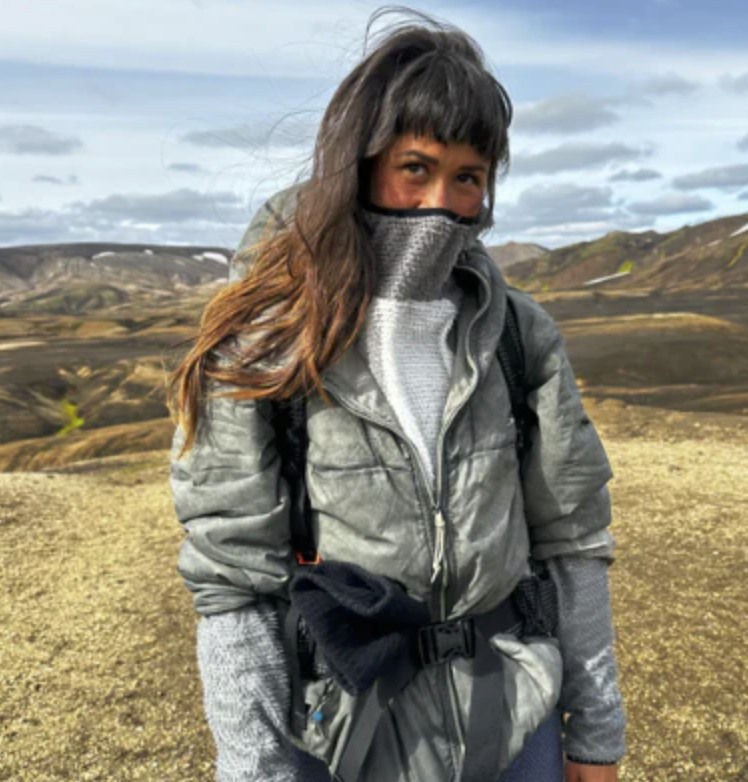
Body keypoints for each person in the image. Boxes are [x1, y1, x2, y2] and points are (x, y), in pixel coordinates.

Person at [167, 9, 625, 782]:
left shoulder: (519, 334)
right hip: (343, 722)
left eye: (468, 177)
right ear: (361, 159)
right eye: (416, 167)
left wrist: (596, 731)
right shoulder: (265, 337)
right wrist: (255, 769)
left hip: (513, 710)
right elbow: (233, 581)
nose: (440, 203)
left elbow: (573, 542)